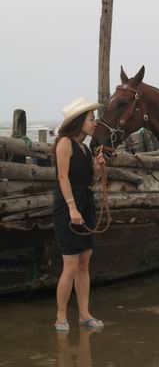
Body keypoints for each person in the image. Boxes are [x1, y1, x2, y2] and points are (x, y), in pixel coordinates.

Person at [53, 97, 105, 331]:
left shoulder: (85, 148)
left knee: (84, 263)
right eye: (90, 119)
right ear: (78, 122)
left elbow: (88, 180)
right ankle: (61, 316)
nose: (94, 123)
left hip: (86, 206)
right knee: (70, 265)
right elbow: (63, 177)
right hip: (68, 208)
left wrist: (97, 168)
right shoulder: (64, 143)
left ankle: (84, 314)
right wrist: (72, 207)